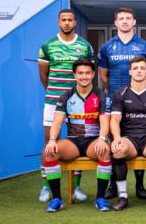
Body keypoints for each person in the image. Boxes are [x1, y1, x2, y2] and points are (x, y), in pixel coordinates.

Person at [98, 7, 146, 200]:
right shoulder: (107, 47)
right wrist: (116, 92)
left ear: (134, 22)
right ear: (115, 23)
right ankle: (113, 186)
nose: (124, 21)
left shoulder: (144, 46)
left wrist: (139, 94)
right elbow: (103, 76)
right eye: (121, 18)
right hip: (114, 100)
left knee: (140, 135)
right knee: (115, 140)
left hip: (139, 99)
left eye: (128, 18)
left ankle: (140, 186)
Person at [38, 9, 94, 203]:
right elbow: (43, 75)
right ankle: (46, 187)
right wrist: (57, 94)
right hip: (53, 100)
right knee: (48, 142)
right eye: (64, 20)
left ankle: (76, 187)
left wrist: (72, 96)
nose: (67, 23)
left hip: (77, 102)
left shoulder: (84, 45)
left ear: (75, 22)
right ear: (58, 22)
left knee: (79, 140)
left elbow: (87, 74)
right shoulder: (48, 45)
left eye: (70, 20)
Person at [42, 59, 112, 212]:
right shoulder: (66, 96)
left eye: (87, 73)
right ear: (74, 75)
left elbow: (105, 121)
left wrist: (102, 139)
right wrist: (52, 140)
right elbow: (57, 123)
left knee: (105, 150)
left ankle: (100, 198)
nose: (84, 76)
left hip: (93, 141)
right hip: (73, 142)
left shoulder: (101, 95)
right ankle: (57, 200)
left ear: (93, 74)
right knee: (49, 152)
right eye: (80, 73)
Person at [109, 56, 146, 211]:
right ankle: (123, 196)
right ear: (130, 72)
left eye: (142, 68)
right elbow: (114, 119)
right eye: (135, 68)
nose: (139, 71)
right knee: (118, 150)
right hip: (130, 138)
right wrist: (116, 138)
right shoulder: (120, 93)